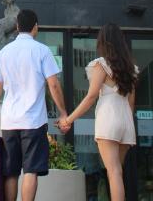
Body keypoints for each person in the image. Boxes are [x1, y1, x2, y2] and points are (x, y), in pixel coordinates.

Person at [0, 9, 67, 201]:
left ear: (17, 27)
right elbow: (53, 84)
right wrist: (63, 113)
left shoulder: (4, 53)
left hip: (10, 121)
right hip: (33, 122)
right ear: (36, 27)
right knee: (31, 170)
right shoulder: (42, 51)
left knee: (11, 171)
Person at [58, 23, 139, 201]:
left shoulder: (101, 65)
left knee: (113, 172)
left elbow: (91, 96)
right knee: (118, 171)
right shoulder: (131, 69)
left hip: (108, 117)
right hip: (126, 119)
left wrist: (69, 119)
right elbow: (131, 103)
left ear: (103, 42)